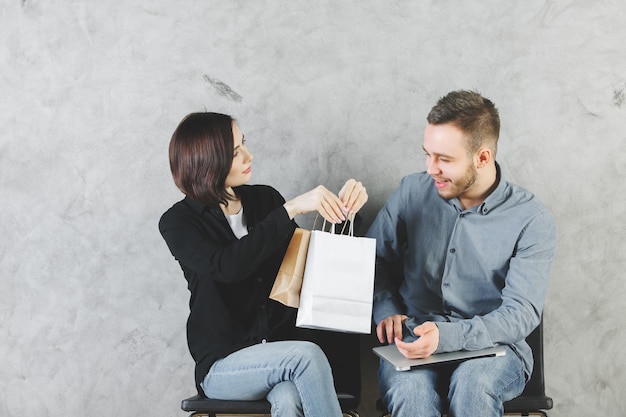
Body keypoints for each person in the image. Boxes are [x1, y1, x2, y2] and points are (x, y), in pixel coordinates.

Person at [159, 112, 368, 417]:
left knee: (288, 399)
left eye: (243, 144)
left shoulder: (265, 201)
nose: (249, 155)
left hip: (279, 352)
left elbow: (306, 267)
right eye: (234, 152)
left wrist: (344, 214)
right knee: (306, 356)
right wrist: (291, 208)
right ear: (207, 163)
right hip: (224, 366)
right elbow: (226, 266)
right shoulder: (178, 222)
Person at [366, 90, 556, 417]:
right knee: (411, 393)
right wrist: (385, 307)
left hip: (494, 352)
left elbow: (521, 313)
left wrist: (448, 336)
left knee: (473, 385)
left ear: (481, 158)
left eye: (444, 159)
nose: (430, 169)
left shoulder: (531, 219)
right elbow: (369, 258)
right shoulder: (412, 192)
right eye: (427, 154)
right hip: (412, 344)